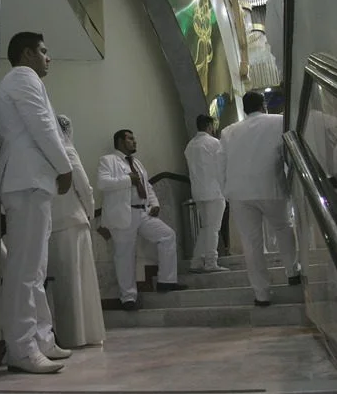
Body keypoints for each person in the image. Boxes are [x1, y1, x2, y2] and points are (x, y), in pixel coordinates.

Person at [0, 32, 73, 374]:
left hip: (34, 183)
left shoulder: (25, 79)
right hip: (25, 181)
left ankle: (41, 337)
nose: (48, 57)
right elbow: (42, 125)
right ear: (26, 54)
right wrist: (65, 166)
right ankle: (21, 348)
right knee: (24, 270)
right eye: (43, 51)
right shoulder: (21, 77)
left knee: (36, 269)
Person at [220, 92, 300, 307]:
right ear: (263, 105)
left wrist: (225, 191)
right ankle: (292, 271)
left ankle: (261, 294)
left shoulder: (228, 131)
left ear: (244, 109)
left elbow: (222, 164)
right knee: (283, 227)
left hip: (239, 193)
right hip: (269, 186)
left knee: (251, 243)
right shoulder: (279, 121)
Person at [97, 129, 187, 311]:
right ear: (120, 141)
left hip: (143, 213)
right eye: (130, 138)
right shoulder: (108, 160)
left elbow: (147, 186)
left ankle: (166, 281)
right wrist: (127, 179)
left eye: (133, 138)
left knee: (167, 235)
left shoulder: (137, 163)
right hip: (123, 215)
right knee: (124, 256)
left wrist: (154, 202)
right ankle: (128, 298)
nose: (134, 141)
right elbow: (102, 183)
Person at [47, 115, 105, 348]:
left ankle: (67, 334)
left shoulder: (46, 152)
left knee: (63, 280)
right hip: (75, 222)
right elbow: (84, 186)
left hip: (54, 222)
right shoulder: (69, 151)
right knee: (80, 280)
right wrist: (90, 212)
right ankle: (84, 334)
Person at [184, 115, 229, 273]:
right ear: (210, 126)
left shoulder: (190, 145)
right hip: (214, 191)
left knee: (206, 228)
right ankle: (211, 262)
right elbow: (223, 165)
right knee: (213, 228)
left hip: (198, 192)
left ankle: (196, 261)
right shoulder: (214, 143)